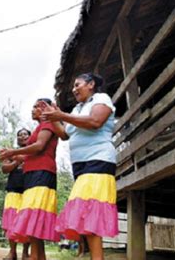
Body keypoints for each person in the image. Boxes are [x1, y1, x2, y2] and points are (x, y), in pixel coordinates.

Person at [40, 73, 118, 260]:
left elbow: (95, 122)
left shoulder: (101, 99)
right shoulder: (77, 109)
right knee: (87, 215)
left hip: (98, 160)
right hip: (81, 166)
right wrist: (54, 118)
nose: (74, 89)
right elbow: (65, 135)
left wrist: (61, 115)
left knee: (89, 213)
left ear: (91, 84)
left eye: (78, 85)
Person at [0, 98, 60, 260]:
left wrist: (12, 153)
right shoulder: (39, 128)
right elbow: (30, 154)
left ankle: (33, 256)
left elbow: (40, 146)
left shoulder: (47, 125)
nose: (32, 110)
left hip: (42, 172)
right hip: (33, 175)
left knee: (34, 216)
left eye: (36, 107)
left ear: (45, 108)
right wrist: (16, 156)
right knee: (34, 217)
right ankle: (38, 256)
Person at [1, 128, 31, 260]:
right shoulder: (10, 153)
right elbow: (4, 169)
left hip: (29, 191)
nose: (22, 136)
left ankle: (25, 252)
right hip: (13, 191)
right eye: (19, 135)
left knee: (27, 222)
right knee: (10, 222)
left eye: (25, 134)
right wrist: (17, 161)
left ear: (30, 137)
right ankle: (12, 252)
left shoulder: (34, 151)